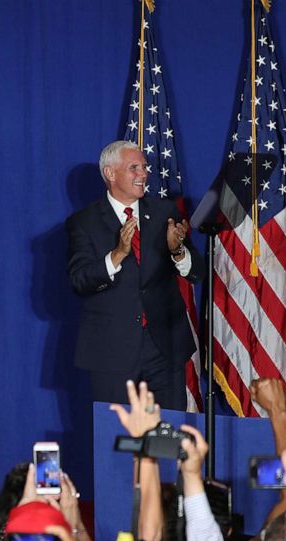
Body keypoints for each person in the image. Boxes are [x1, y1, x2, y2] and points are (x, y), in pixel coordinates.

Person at [67, 140, 203, 410]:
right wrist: (116, 255)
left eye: (144, 167)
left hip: (164, 348)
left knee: (167, 436)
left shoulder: (165, 212)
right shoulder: (84, 222)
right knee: (117, 438)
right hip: (111, 351)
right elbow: (79, 281)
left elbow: (196, 272)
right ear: (110, 173)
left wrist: (177, 251)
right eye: (134, 168)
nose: (143, 174)